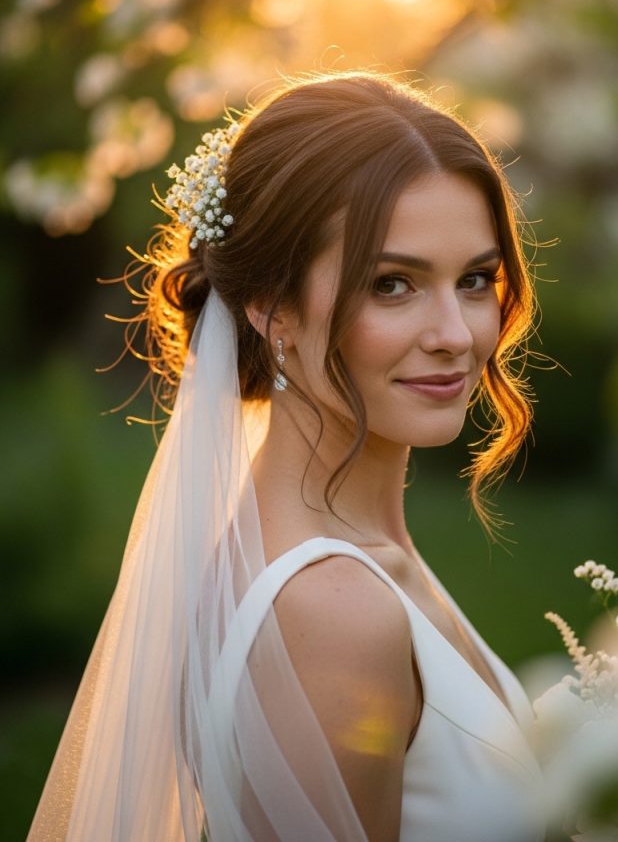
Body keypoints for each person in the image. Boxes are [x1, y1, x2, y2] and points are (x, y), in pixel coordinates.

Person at [28, 70, 546, 841]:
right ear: (271, 305)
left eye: (474, 279)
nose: (456, 333)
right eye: (393, 284)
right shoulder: (331, 611)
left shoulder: (346, 560)